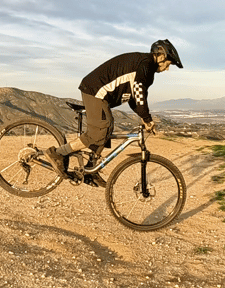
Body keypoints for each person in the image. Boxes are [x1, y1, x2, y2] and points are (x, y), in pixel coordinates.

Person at [45, 39, 183, 183]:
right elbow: (139, 92)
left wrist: (143, 116)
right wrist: (147, 118)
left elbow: (134, 99)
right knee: (100, 129)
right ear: (161, 57)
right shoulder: (145, 64)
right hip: (95, 90)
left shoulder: (146, 70)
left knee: (107, 128)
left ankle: (91, 169)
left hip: (100, 93)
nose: (167, 69)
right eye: (168, 64)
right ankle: (58, 153)